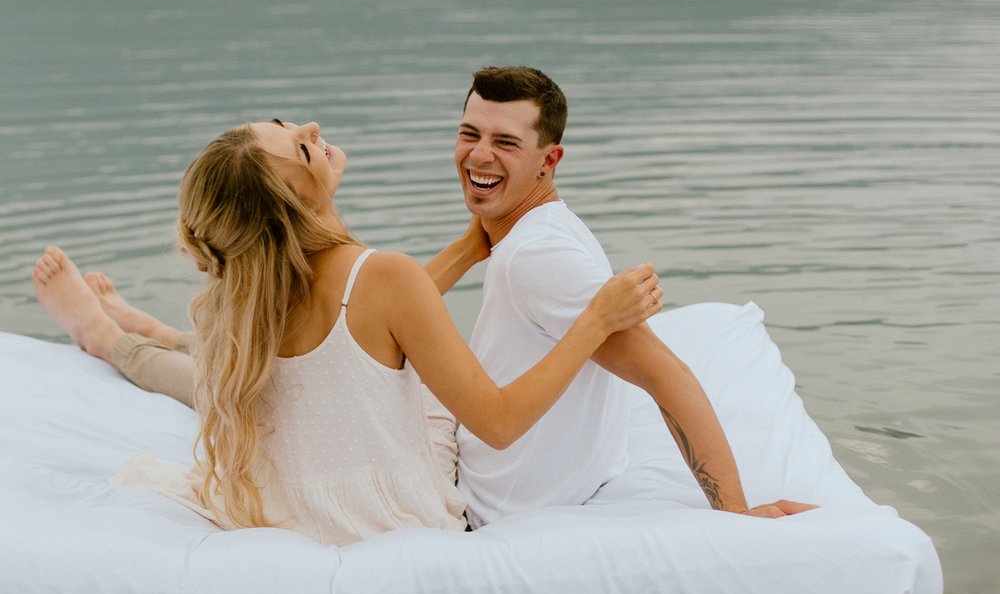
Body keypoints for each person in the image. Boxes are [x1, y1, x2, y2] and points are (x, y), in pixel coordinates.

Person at [32, 118, 662, 545]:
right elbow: (496, 422)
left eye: (288, 123)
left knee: (214, 365)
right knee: (206, 371)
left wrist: (470, 250)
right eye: (301, 148)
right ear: (292, 205)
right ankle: (101, 332)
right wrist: (595, 321)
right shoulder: (385, 276)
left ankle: (134, 331)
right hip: (383, 517)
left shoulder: (248, 283)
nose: (310, 129)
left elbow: (368, 317)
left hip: (279, 502)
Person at [451, 66, 812, 526]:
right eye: (470, 134)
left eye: (505, 143)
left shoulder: (538, 254)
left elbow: (666, 374)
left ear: (549, 160)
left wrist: (735, 512)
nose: (479, 155)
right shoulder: (539, 228)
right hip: (505, 481)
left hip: (495, 511)